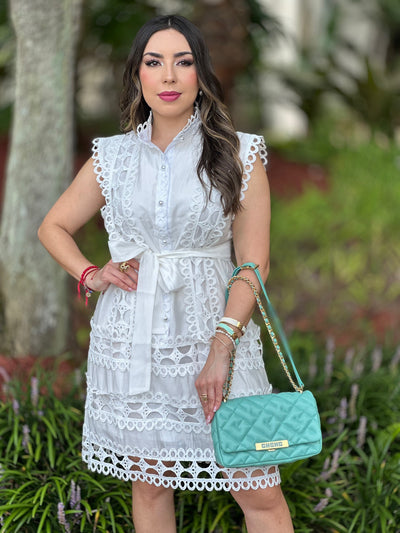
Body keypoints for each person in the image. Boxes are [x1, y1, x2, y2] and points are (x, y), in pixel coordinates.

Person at [38, 14, 294, 533]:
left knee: (259, 490)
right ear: (138, 76)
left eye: (184, 62)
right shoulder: (113, 156)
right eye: (155, 63)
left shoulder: (240, 153)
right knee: (151, 485)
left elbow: (254, 263)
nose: (169, 76)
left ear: (201, 74)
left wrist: (221, 346)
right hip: (135, 340)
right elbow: (53, 227)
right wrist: (91, 274)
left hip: (219, 336)